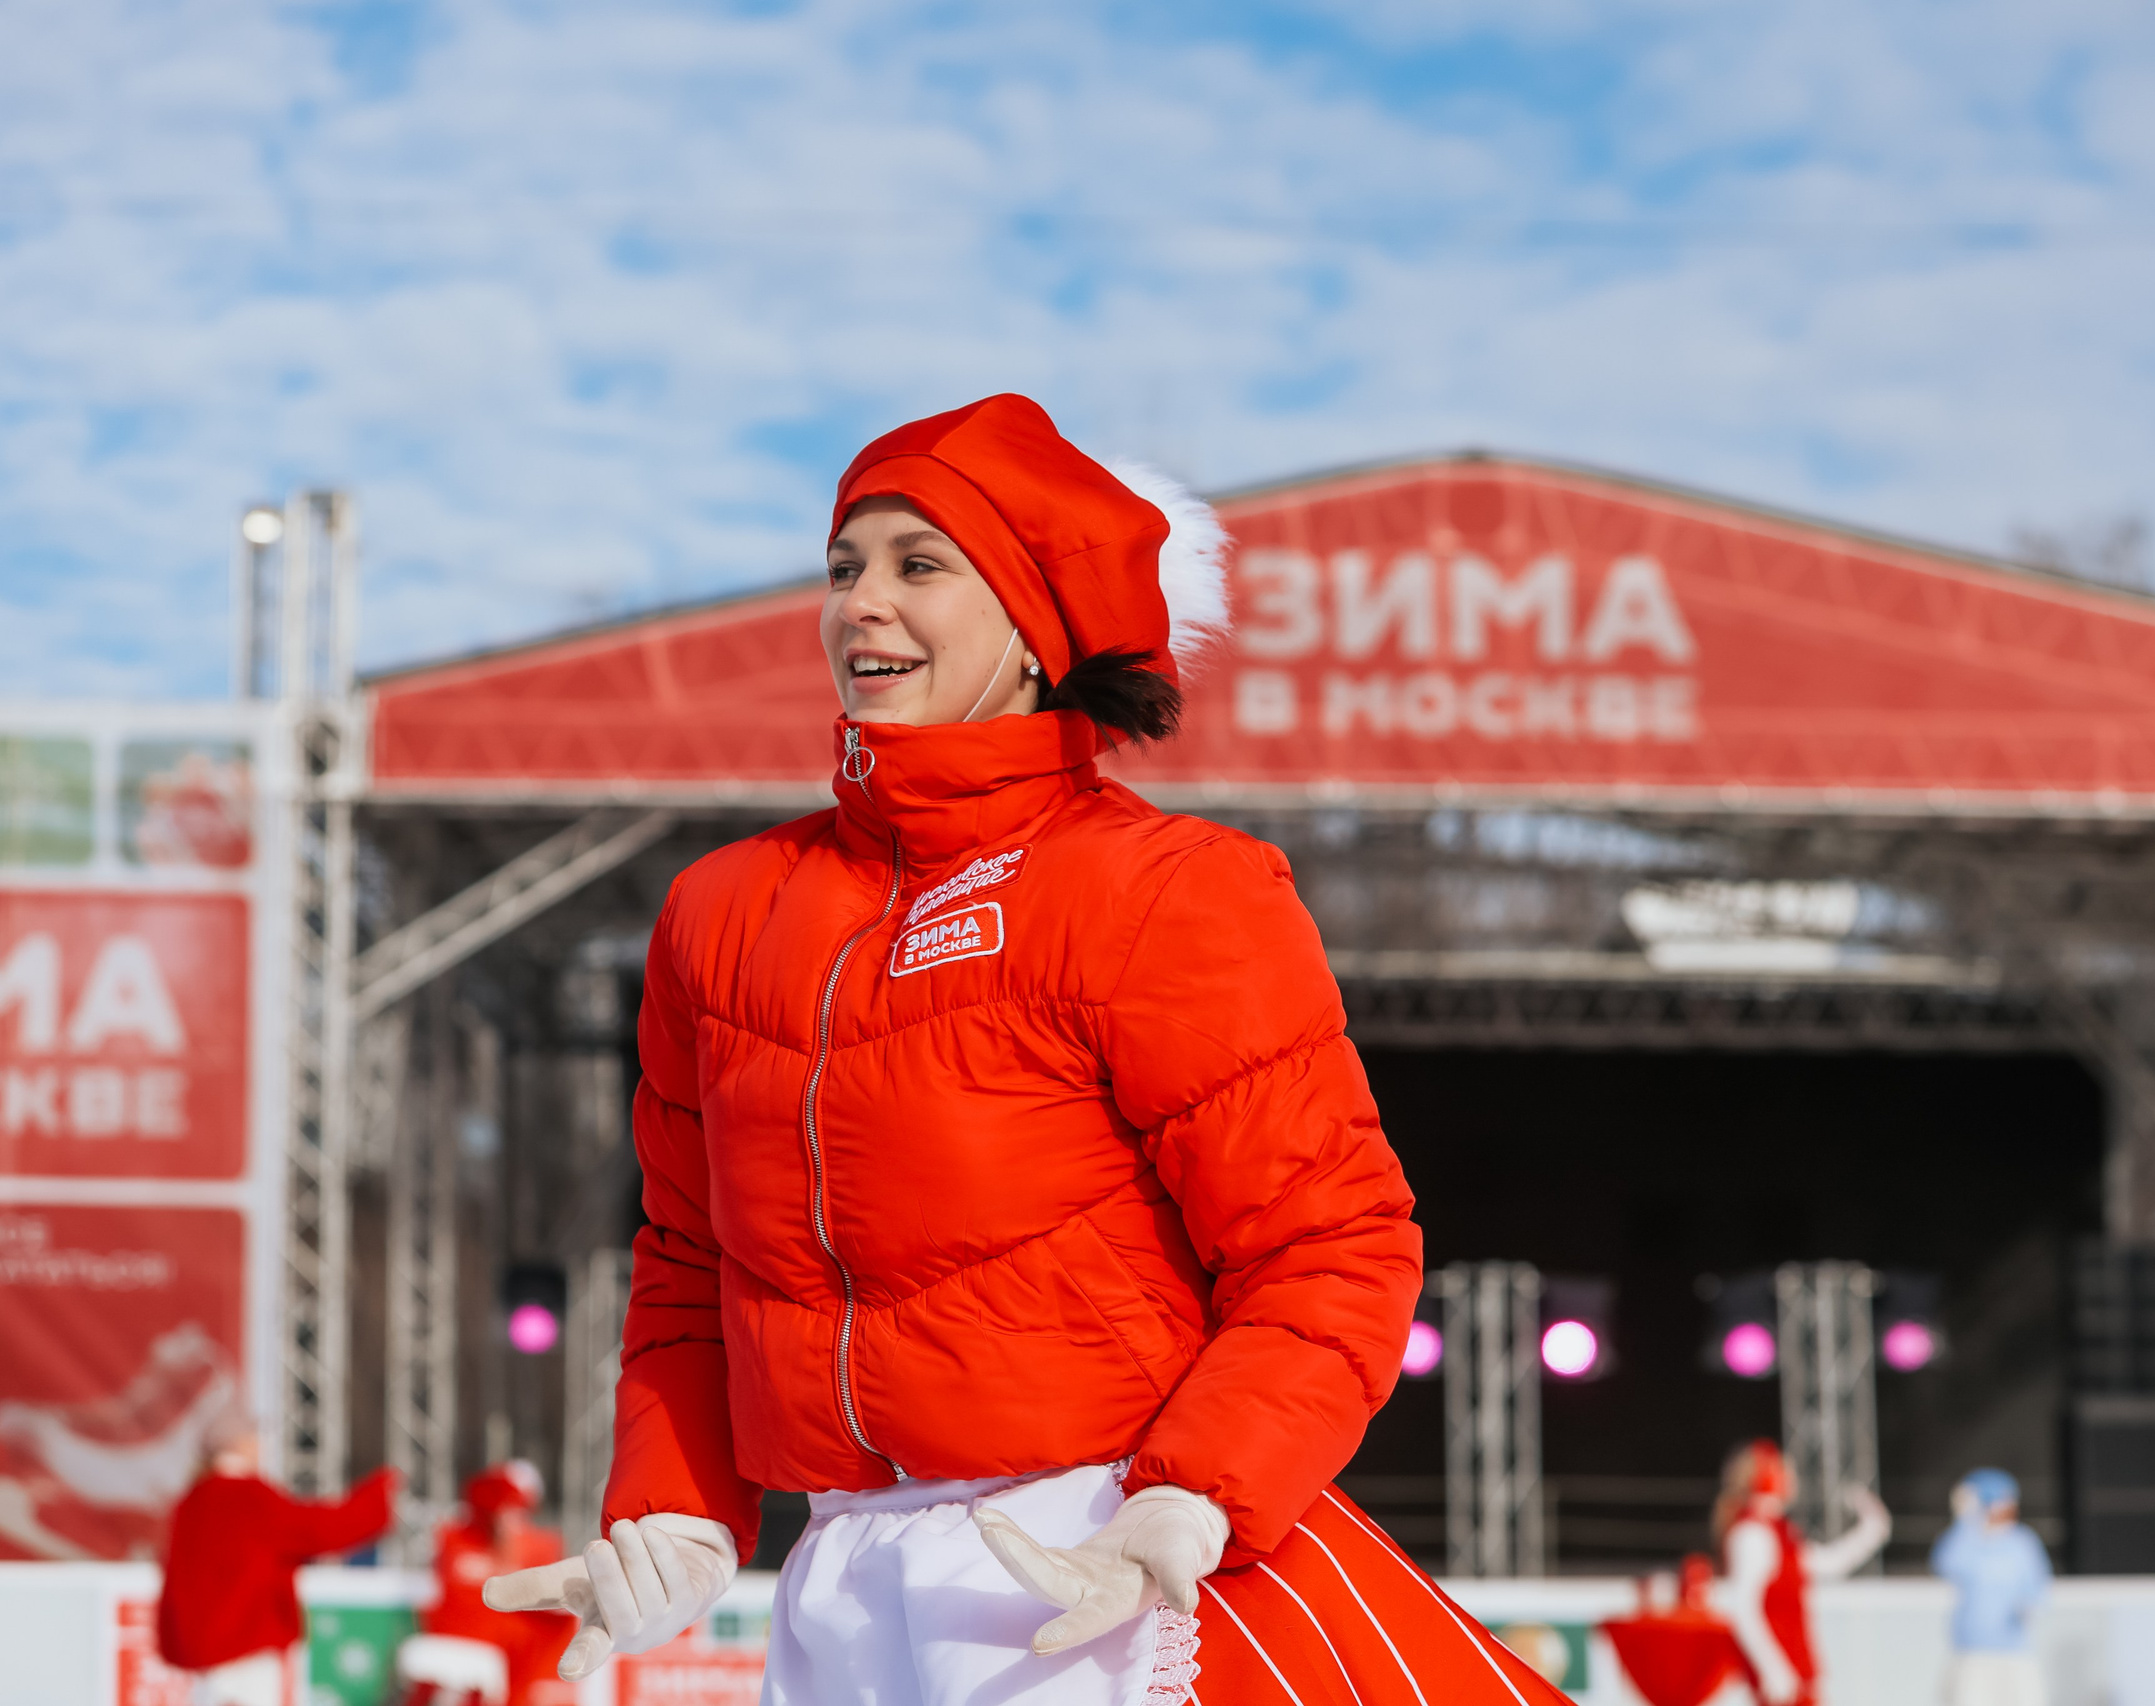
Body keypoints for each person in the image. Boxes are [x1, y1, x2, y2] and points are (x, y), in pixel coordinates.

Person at [482, 393, 1570, 1705]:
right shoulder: (721, 915)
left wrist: (1194, 1497)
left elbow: (1332, 1244)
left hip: (1114, 1562)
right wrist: (676, 1505)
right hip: (849, 1589)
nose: (860, 604)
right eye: (844, 566)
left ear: (1035, 623)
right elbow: (688, 1267)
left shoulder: (1165, 889)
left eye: (918, 565)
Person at [157, 1408, 398, 1706]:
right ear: (240, 1444)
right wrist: (377, 1496)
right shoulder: (249, 1497)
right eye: (255, 1438)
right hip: (245, 1643)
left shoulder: (192, 1502)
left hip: (203, 1649)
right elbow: (320, 1531)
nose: (261, 1446)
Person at [1709, 1441, 1891, 1706]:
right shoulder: (1752, 1534)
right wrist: (1771, 1666)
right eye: (1785, 1471)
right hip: (1782, 1669)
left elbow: (1829, 1563)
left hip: (1796, 1665)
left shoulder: (1781, 1532)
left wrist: (1871, 1531)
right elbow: (1743, 1607)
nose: (1792, 1479)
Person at [399, 1462, 577, 1706]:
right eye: (510, 1507)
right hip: (474, 1641)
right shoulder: (458, 1539)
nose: (513, 1517)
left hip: (500, 1646)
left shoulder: (537, 1545)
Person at [1929, 1468, 2049, 1706]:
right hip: (1972, 1653)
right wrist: (1965, 1520)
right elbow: (1944, 1563)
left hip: (2015, 1653)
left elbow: (2038, 1589)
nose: (2009, 1508)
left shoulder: (2023, 1542)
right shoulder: (1967, 1540)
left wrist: (2029, 1607)